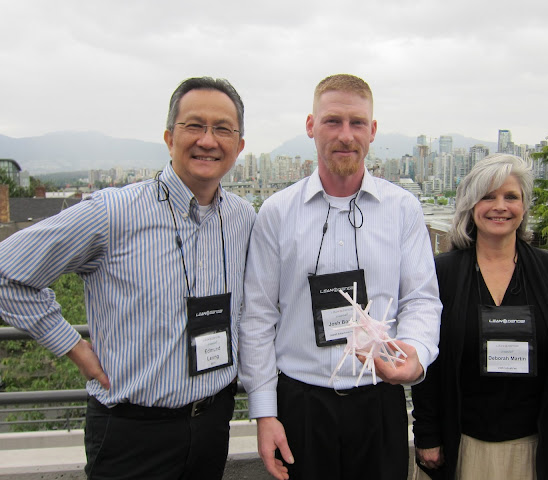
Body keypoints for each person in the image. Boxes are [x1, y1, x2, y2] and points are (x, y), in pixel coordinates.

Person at [0, 76, 255, 480]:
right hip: (131, 432)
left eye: (223, 129)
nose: (208, 140)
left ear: (239, 146)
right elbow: (7, 273)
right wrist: (72, 346)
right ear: (169, 138)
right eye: (194, 125)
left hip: (213, 422)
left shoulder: (243, 217)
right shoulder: (112, 212)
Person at [238, 73, 442, 480]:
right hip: (300, 405)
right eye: (332, 121)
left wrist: (416, 353)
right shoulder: (277, 212)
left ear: (373, 130)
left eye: (357, 123)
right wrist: (264, 411)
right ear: (311, 126)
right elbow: (258, 315)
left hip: (379, 400)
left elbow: (421, 298)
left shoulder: (403, 209)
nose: (345, 135)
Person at [411, 154, 548, 480]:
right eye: (488, 196)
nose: (500, 207)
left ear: (524, 206)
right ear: (470, 205)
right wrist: (427, 433)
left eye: (511, 196)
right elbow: (427, 357)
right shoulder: (442, 273)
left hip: (534, 447)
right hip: (462, 445)